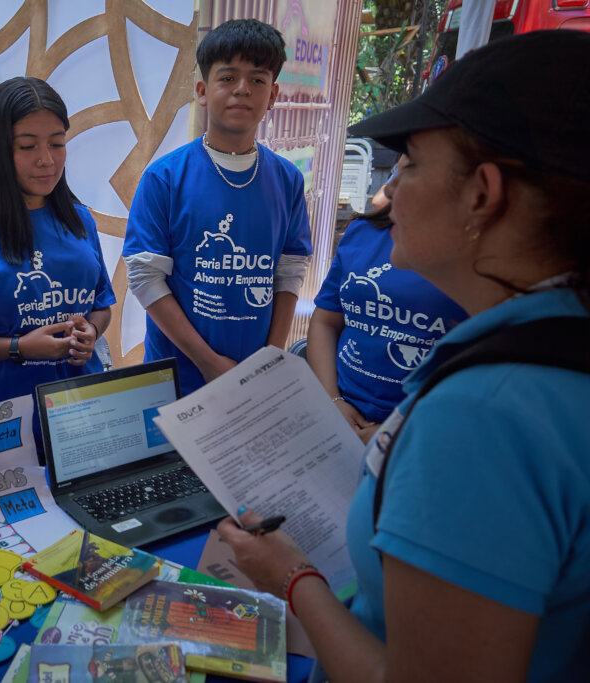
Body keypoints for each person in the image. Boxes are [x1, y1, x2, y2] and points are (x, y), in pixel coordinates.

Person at [218, 30, 590, 682]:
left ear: (484, 192)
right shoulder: (555, 345)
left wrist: (292, 575)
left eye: (411, 162)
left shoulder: (483, 417)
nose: (392, 187)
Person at [0, 77, 115, 453]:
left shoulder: (80, 221)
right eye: (28, 146)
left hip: (84, 414)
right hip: (6, 423)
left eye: (57, 143)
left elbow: (101, 305)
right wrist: (19, 347)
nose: (47, 159)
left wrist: (91, 331)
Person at [123, 19, 312, 394]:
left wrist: (270, 357)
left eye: (257, 80)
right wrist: (209, 363)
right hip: (177, 377)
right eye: (227, 78)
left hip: (255, 375)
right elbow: (145, 279)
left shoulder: (287, 180)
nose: (242, 90)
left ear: (272, 95)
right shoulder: (164, 178)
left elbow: (288, 273)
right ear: (203, 91)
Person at [308, 157, 468, 443]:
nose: (390, 186)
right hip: (341, 414)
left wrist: (399, 433)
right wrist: (331, 401)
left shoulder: (475, 258)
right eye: (397, 168)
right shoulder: (362, 233)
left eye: (411, 169)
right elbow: (325, 320)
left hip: (425, 431)